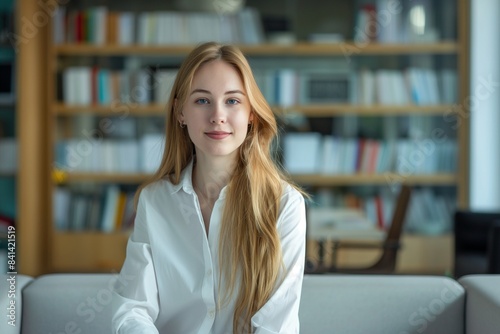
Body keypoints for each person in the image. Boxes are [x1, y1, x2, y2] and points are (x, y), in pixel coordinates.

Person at [112, 41, 306, 334]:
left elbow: (275, 326)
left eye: (232, 101)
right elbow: (131, 308)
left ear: (251, 113)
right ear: (180, 112)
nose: (218, 115)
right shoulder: (154, 202)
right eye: (202, 100)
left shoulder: (284, 204)